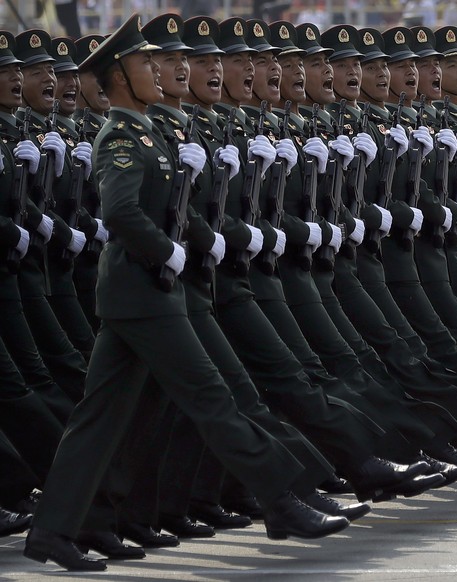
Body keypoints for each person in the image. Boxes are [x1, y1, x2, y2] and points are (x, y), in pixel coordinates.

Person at [23, 14, 350, 573]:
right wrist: (165, 251)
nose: (156, 69)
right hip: (142, 293)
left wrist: (206, 241)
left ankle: (58, 530)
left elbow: (181, 208)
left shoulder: (151, 132)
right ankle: (281, 499)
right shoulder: (119, 136)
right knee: (212, 398)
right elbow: (121, 211)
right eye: (146, 62)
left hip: (146, 293)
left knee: (98, 419)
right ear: (120, 77)